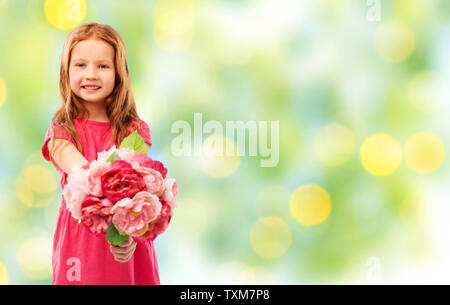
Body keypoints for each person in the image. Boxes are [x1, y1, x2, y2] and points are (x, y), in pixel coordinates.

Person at [41, 22, 165, 284]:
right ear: (66, 71)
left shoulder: (134, 130)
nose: (91, 74)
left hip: (125, 233)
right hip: (81, 243)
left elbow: (138, 189)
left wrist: (129, 235)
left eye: (103, 66)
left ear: (118, 72)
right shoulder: (62, 130)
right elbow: (84, 176)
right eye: (81, 65)